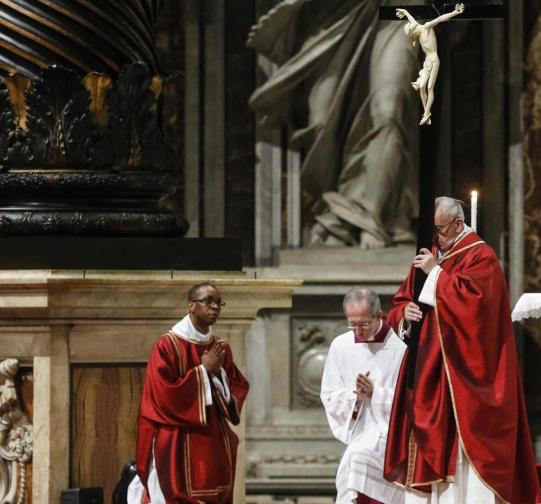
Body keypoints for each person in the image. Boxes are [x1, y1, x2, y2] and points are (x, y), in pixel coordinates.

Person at [384, 197, 541, 503]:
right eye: (432, 230)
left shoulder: (481, 256)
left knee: (461, 449)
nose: (435, 237)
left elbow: (478, 309)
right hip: (428, 369)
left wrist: (437, 275)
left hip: (462, 373)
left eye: (440, 230)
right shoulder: (431, 255)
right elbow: (402, 300)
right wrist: (406, 313)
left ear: (458, 224)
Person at [248, 0, 419, 249]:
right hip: (332, 12)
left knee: (389, 110)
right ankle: (341, 210)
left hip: (401, 11)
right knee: (320, 125)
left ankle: (370, 217)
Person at [129, 283, 249, 504]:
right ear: (191, 306)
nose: (215, 307)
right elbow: (162, 394)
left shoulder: (220, 346)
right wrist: (203, 372)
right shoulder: (167, 345)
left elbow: (238, 385)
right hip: (177, 436)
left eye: (218, 303)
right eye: (208, 301)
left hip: (213, 437)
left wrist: (217, 375)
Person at [321, 287, 406, 504]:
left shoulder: (401, 347)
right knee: (353, 466)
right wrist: (355, 396)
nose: (358, 331)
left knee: (356, 461)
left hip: (392, 432)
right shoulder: (341, 346)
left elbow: (413, 398)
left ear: (379, 315)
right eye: (352, 324)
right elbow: (329, 395)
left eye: (364, 324)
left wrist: (376, 392)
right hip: (361, 431)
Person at [395, 3, 465, 125]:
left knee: (429, 87)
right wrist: (405, 12)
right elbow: (412, 20)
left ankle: (427, 114)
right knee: (422, 87)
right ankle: (426, 113)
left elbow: (439, 19)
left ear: (413, 30)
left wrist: (455, 12)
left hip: (434, 61)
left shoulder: (426, 27)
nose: (413, 38)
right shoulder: (418, 30)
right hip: (427, 62)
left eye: (412, 35)